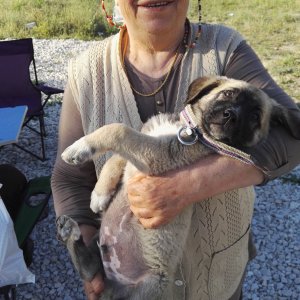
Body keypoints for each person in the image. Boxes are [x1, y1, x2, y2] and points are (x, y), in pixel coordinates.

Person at [51, 0, 300, 299]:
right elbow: (69, 179)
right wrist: (94, 253)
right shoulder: (86, 72)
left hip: (216, 281)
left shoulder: (225, 50)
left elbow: (293, 136)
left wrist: (190, 184)